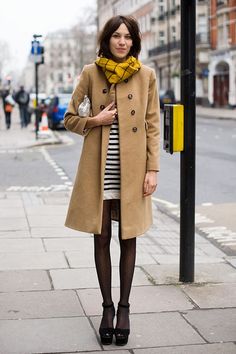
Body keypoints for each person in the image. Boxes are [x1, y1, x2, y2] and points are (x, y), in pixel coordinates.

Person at [64, 15, 160, 346]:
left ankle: (125, 309)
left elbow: (152, 124)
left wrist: (153, 169)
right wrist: (95, 119)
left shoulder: (146, 75)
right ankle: (106, 308)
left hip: (132, 171)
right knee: (101, 236)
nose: (122, 41)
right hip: (99, 169)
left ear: (134, 41)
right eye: (116, 36)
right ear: (107, 40)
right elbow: (69, 117)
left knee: (129, 237)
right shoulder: (92, 72)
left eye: (127, 36)